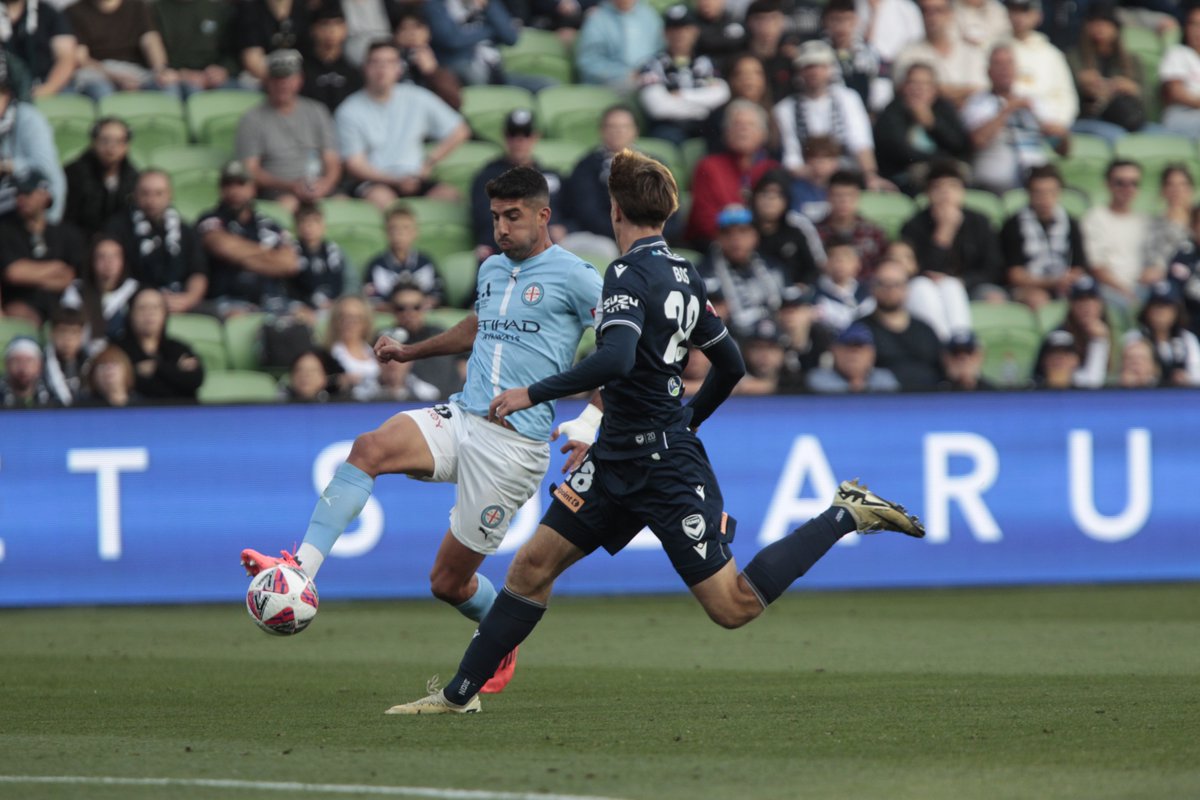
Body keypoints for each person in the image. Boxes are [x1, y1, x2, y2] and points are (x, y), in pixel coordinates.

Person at [384, 148, 923, 716]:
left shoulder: (625, 274)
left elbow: (614, 360)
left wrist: (533, 392)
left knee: (733, 607)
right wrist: (682, 421)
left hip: (664, 471)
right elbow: (731, 365)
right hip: (615, 457)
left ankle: (845, 512)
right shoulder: (687, 275)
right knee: (530, 568)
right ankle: (456, 696)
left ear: (616, 211)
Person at [241, 166, 604, 696]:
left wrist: (591, 419)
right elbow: (477, 327)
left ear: (543, 215)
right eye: (495, 217)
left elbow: (626, 349)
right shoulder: (491, 270)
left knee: (446, 583)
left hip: (514, 448)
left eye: (513, 216)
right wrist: (411, 350)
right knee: (369, 447)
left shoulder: (577, 276)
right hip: (463, 416)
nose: (501, 228)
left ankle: (502, 634)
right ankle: (301, 570)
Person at [335, 41, 470, 210]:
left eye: (389, 63)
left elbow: (460, 130)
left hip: (414, 176)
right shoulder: (349, 109)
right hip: (375, 181)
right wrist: (395, 180)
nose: (382, 69)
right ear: (365, 68)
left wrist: (428, 163)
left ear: (399, 69)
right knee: (385, 203)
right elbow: (355, 164)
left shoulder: (416, 96)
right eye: (375, 62)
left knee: (452, 197)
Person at [235, 49, 341, 214]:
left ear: (300, 79)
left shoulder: (317, 110)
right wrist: (289, 185)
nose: (283, 84)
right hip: (278, 189)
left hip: (316, 183)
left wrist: (326, 184)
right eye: (277, 78)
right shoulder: (252, 119)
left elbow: (332, 159)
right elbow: (251, 170)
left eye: (288, 78)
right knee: (288, 205)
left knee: (343, 204)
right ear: (267, 81)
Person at [774, 41, 884, 191]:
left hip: (845, 175)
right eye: (808, 67)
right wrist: (815, 171)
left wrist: (870, 175)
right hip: (804, 179)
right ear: (799, 72)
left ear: (830, 69)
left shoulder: (848, 98)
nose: (815, 72)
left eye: (821, 67)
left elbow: (860, 142)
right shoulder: (785, 108)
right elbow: (791, 155)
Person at [195, 160, 298, 319]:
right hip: (228, 301)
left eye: (241, 183)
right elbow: (223, 247)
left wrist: (241, 255)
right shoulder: (209, 219)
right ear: (221, 189)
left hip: (272, 301)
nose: (234, 190)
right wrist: (271, 256)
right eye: (228, 184)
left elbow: (290, 264)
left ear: (253, 188)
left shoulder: (270, 224)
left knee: (304, 318)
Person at [900, 159, 998, 325]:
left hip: (971, 286)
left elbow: (993, 267)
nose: (945, 193)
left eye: (952, 186)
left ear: (963, 191)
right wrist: (944, 232)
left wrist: (964, 282)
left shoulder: (979, 222)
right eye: (938, 187)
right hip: (930, 291)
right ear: (927, 193)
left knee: (992, 296)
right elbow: (918, 270)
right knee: (927, 290)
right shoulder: (913, 226)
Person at [104, 169, 208, 314]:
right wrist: (152, 299)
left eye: (159, 193)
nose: (151, 200)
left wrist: (188, 299)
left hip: (178, 299)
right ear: (135, 194)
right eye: (145, 193)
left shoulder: (185, 230)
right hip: (134, 302)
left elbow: (198, 272)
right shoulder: (118, 227)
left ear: (170, 195)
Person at [470, 109, 567, 261]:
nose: (519, 141)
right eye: (513, 134)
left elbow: (573, 212)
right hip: (502, 245)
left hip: (553, 245)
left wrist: (566, 228)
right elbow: (485, 218)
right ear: (505, 136)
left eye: (526, 135)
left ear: (536, 137)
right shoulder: (489, 177)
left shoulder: (552, 175)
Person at [962, 42, 1054, 194]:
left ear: (1016, 69)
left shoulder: (1034, 102)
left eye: (1009, 63)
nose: (1004, 68)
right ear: (988, 71)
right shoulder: (977, 103)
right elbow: (977, 140)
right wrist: (1008, 109)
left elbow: (1062, 148)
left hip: (1037, 185)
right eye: (998, 64)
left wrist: (1060, 133)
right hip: (994, 187)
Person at [686, 100, 780, 247]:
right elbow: (702, 219)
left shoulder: (773, 170)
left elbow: (780, 217)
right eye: (736, 125)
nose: (742, 129)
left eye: (749, 125)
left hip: (765, 247)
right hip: (715, 246)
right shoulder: (708, 167)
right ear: (726, 133)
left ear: (763, 134)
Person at [635, 5, 730, 146]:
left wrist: (682, 95)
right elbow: (658, 107)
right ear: (664, 33)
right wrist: (701, 108)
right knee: (666, 139)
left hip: (704, 125)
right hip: (669, 125)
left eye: (685, 29)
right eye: (673, 29)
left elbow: (721, 94)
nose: (679, 35)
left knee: (722, 132)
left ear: (695, 31)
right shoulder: (652, 65)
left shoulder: (706, 63)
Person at [873, 61, 972, 195]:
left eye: (925, 84)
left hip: (945, 171)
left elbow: (960, 145)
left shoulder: (944, 108)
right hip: (905, 177)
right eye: (913, 83)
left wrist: (933, 124)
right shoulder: (891, 112)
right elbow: (901, 152)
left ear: (934, 89)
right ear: (903, 87)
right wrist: (942, 161)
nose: (918, 89)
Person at [0, 168, 84, 325]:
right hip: (21, 304)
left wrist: (31, 274)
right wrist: (55, 266)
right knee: (20, 315)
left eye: (28, 193)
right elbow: (13, 273)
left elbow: (69, 277)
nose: (21, 198)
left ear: (45, 195)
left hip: (62, 306)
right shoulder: (5, 231)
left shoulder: (66, 234)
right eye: (18, 193)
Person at [999, 163, 1089, 309]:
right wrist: (1052, 282)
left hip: (1064, 284)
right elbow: (1014, 275)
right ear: (1029, 193)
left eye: (1051, 192)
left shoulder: (1071, 222)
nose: (1045, 198)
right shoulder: (1013, 225)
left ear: (1059, 192)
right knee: (1038, 299)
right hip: (1028, 287)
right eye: (1039, 192)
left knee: (1088, 297)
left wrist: (1066, 280)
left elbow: (1079, 266)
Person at [697, 203, 786, 337]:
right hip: (729, 342)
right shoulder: (702, 273)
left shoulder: (773, 267)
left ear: (755, 236)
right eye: (727, 233)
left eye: (743, 231)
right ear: (718, 237)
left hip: (772, 339)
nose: (735, 239)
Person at [562, 105, 639, 255]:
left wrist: (650, 232)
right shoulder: (587, 166)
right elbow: (588, 213)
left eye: (624, 126)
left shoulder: (654, 165)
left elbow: (670, 207)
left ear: (635, 131)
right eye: (611, 126)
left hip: (647, 235)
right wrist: (627, 233)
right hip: (604, 237)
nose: (618, 131)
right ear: (601, 131)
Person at [1067, 1, 1147, 145]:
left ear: (1116, 28)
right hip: (1089, 117)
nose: (1100, 28)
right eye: (1095, 22)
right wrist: (1081, 83)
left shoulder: (1131, 61)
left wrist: (1132, 88)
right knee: (1117, 136)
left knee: (1159, 133)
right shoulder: (1074, 57)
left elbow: (1149, 98)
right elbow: (1064, 96)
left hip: (1124, 116)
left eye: (1105, 22)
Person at [861, 259, 945, 389]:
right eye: (882, 284)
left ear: (907, 288)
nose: (889, 290)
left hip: (929, 401)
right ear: (872, 288)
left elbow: (944, 367)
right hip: (882, 402)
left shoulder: (925, 329)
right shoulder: (860, 330)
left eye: (896, 284)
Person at [68, 0, 177, 100]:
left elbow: (150, 40)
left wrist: (160, 69)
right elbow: (81, 59)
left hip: (134, 70)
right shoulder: (74, 11)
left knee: (167, 84)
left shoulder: (137, 6)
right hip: (97, 71)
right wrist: (116, 77)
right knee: (102, 90)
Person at [0, 58, 64, 223]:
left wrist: (10, 166)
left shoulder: (28, 118)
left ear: (8, 94)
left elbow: (47, 171)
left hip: (27, 215)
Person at [113, 285, 204, 402]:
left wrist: (157, 368)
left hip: (181, 414)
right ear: (131, 314)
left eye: (155, 307)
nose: (149, 313)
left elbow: (195, 379)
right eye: (142, 308)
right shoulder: (118, 351)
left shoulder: (178, 348)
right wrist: (176, 371)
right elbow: (134, 386)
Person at [1080, 159, 1150, 310]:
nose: (1127, 188)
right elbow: (1096, 267)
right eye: (1120, 183)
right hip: (1108, 288)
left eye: (1134, 183)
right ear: (1108, 184)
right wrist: (1125, 290)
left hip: (1141, 288)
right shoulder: (1095, 218)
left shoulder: (1145, 220)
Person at [892, 0, 988, 108]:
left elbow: (981, 91)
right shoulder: (907, 54)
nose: (932, 17)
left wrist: (937, 90)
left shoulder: (972, 53)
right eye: (926, 11)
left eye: (938, 11)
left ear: (950, 14)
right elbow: (905, 92)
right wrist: (964, 92)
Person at [1005, 0, 1078, 133]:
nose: (1019, 17)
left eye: (1025, 11)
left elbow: (1066, 97)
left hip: (1046, 127)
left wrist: (1058, 124)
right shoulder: (994, 48)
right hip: (1005, 124)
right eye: (1014, 10)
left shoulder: (1051, 54)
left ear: (1038, 16)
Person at [63, 117, 138, 239]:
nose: (111, 147)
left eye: (119, 141)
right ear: (94, 142)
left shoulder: (133, 177)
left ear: (126, 146)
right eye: (105, 140)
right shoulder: (74, 174)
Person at [59, 234, 138, 343]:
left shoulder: (134, 291)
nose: (108, 262)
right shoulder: (76, 291)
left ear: (123, 261)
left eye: (114, 256)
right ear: (92, 261)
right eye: (101, 257)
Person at [749, 170, 822, 287]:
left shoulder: (796, 233)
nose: (770, 201)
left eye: (777, 195)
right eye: (765, 194)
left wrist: (803, 287)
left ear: (786, 201)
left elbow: (812, 269)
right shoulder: (745, 233)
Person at [1036, 274, 1111, 388]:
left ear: (1100, 303)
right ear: (1071, 305)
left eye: (1091, 299)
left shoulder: (1115, 332)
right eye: (1080, 300)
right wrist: (1098, 342)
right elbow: (1090, 383)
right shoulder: (1057, 336)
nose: (1087, 306)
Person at [424, 0, 520, 87]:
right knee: (474, 74)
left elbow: (511, 37)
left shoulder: (488, 3)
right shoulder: (435, 5)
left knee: (533, 86)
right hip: (459, 67)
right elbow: (452, 40)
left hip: (494, 68)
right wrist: (491, 30)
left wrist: (488, 6)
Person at [154, 0, 237, 98]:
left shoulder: (218, 9)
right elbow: (154, 57)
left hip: (211, 76)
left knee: (247, 91)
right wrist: (182, 75)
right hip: (174, 76)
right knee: (181, 91)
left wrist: (223, 70)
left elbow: (233, 53)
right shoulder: (155, 9)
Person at [575, 0, 664, 91]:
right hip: (613, 83)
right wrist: (626, 74)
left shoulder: (649, 14)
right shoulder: (597, 20)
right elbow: (589, 63)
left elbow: (660, 50)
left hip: (650, 74)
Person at [816, 169, 888, 281]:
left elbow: (882, 267)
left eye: (849, 195)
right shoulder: (815, 233)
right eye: (838, 195)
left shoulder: (873, 232)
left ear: (858, 197)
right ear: (828, 197)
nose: (844, 201)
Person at [364, 204, 443, 305]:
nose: (399, 233)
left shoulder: (426, 263)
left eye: (405, 228)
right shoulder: (376, 265)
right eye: (393, 229)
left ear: (415, 232)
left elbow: (438, 296)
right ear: (385, 233)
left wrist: (416, 308)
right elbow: (373, 300)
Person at [1129, 280, 1200, 386]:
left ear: (1176, 311)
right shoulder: (1135, 339)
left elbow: (1197, 376)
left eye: (1166, 306)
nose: (1160, 312)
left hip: (1182, 397)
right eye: (1156, 306)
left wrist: (1186, 379)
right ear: (1147, 310)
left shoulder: (1187, 339)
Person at [1, 0, 77, 98]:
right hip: (6, 91)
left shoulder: (48, 12)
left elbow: (66, 57)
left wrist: (48, 88)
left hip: (44, 84)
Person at [393, 4, 462, 111]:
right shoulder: (390, 63)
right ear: (396, 36)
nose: (411, 33)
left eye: (417, 27)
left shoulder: (444, 59)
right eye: (404, 28)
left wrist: (433, 72)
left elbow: (455, 102)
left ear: (428, 32)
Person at [822, 0, 887, 112]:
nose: (841, 26)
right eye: (836, 19)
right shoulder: (820, 55)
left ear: (855, 21)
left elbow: (879, 85)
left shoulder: (869, 54)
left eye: (847, 19)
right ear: (826, 22)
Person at [301, 2, 363, 113]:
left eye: (337, 24)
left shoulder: (353, 72)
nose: (331, 30)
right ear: (313, 30)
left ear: (345, 29)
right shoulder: (302, 70)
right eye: (325, 24)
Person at [806, 321, 900, 392]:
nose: (854, 353)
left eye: (860, 347)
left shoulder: (884, 381)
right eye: (847, 346)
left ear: (872, 353)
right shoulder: (819, 381)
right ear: (834, 350)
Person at [289, 202, 346, 318]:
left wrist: (335, 302)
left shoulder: (334, 251)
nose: (309, 227)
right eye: (304, 222)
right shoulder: (290, 251)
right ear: (297, 227)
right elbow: (289, 286)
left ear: (323, 226)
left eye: (314, 222)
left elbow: (343, 282)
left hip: (331, 305)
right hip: (301, 306)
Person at [1143, 164, 1195, 286]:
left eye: (1182, 184)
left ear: (1190, 189)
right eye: (1171, 184)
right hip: (1166, 283)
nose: (1176, 190)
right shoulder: (1153, 225)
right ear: (1163, 190)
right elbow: (1153, 262)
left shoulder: (1196, 223)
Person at [324, 294, 380, 401]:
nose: (349, 323)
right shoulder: (326, 355)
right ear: (335, 321)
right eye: (343, 317)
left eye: (356, 318)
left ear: (365, 322)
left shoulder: (376, 351)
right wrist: (337, 382)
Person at [1157, 3, 1200, 137]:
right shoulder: (1177, 53)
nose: (1197, 30)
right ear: (1185, 28)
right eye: (1193, 24)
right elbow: (1176, 93)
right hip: (1181, 116)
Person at [813, 239, 871, 333]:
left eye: (846, 256)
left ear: (858, 263)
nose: (840, 262)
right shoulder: (813, 294)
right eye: (834, 257)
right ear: (825, 263)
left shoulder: (867, 293)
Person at [43, 306, 88, 405]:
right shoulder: (39, 365)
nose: (68, 339)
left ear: (82, 336)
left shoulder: (91, 364)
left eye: (74, 332)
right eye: (62, 331)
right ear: (52, 333)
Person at [0, 334, 53, 407]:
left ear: (39, 365)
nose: (23, 367)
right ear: (7, 364)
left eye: (29, 361)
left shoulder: (54, 395)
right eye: (17, 361)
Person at [81, 341, 138, 406]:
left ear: (126, 370)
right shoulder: (84, 407)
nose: (108, 369)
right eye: (102, 365)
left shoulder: (142, 407)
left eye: (114, 363)